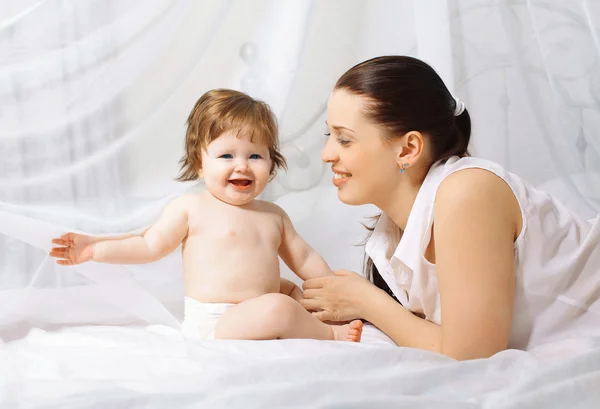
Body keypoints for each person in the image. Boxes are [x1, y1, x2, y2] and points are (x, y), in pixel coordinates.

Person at [299, 55, 600, 360]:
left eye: (344, 139)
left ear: (408, 149)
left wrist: (369, 302)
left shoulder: (467, 192)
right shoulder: (391, 232)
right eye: (329, 135)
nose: (327, 154)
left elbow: (469, 355)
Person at [49, 88, 363, 343]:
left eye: (255, 155)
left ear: (271, 163)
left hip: (258, 308)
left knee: (292, 290)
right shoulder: (191, 207)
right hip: (217, 323)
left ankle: (314, 317)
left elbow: (304, 257)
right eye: (226, 155)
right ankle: (328, 333)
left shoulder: (273, 215)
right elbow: (148, 246)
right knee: (279, 305)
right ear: (200, 163)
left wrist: (330, 286)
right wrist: (96, 249)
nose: (242, 165)